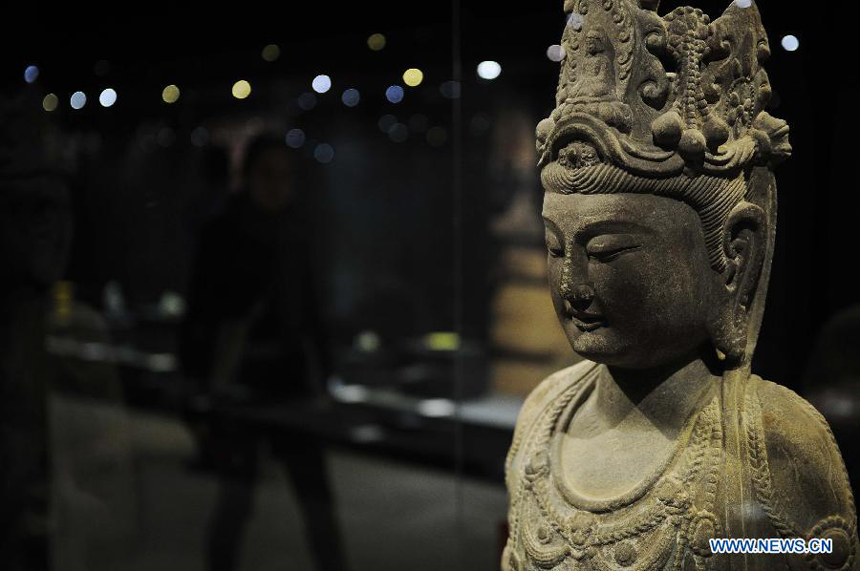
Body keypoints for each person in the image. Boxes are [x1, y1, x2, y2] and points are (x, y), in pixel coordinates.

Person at [181, 133, 347, 571]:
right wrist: (197, 394)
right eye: (267, 175)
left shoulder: (293, 231)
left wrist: (323, 377)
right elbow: (200, 313)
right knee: (237, 502)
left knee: (317, 505)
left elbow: (310, 310)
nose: (277, 185)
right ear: (248, 177)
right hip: (242, 386)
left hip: (289, 384)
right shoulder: (223, 233)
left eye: (284, 176)